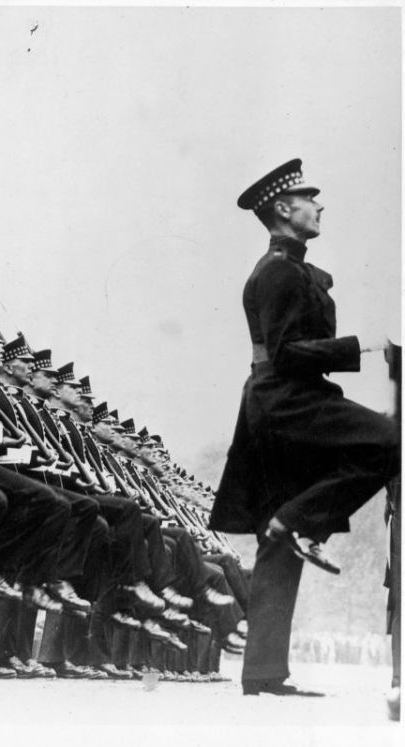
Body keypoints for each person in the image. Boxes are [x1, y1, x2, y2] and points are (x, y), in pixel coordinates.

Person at [209, 158, 400, 697]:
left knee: (276, 542)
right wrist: (361, 346)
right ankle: (298, 519)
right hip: (288, 400)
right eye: (308, 199)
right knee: (393, 441)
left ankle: (264, 674)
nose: (319, 207)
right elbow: (290, 353)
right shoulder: (278, 272)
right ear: (283, 210)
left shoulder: (289, 269)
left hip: (276, 403)